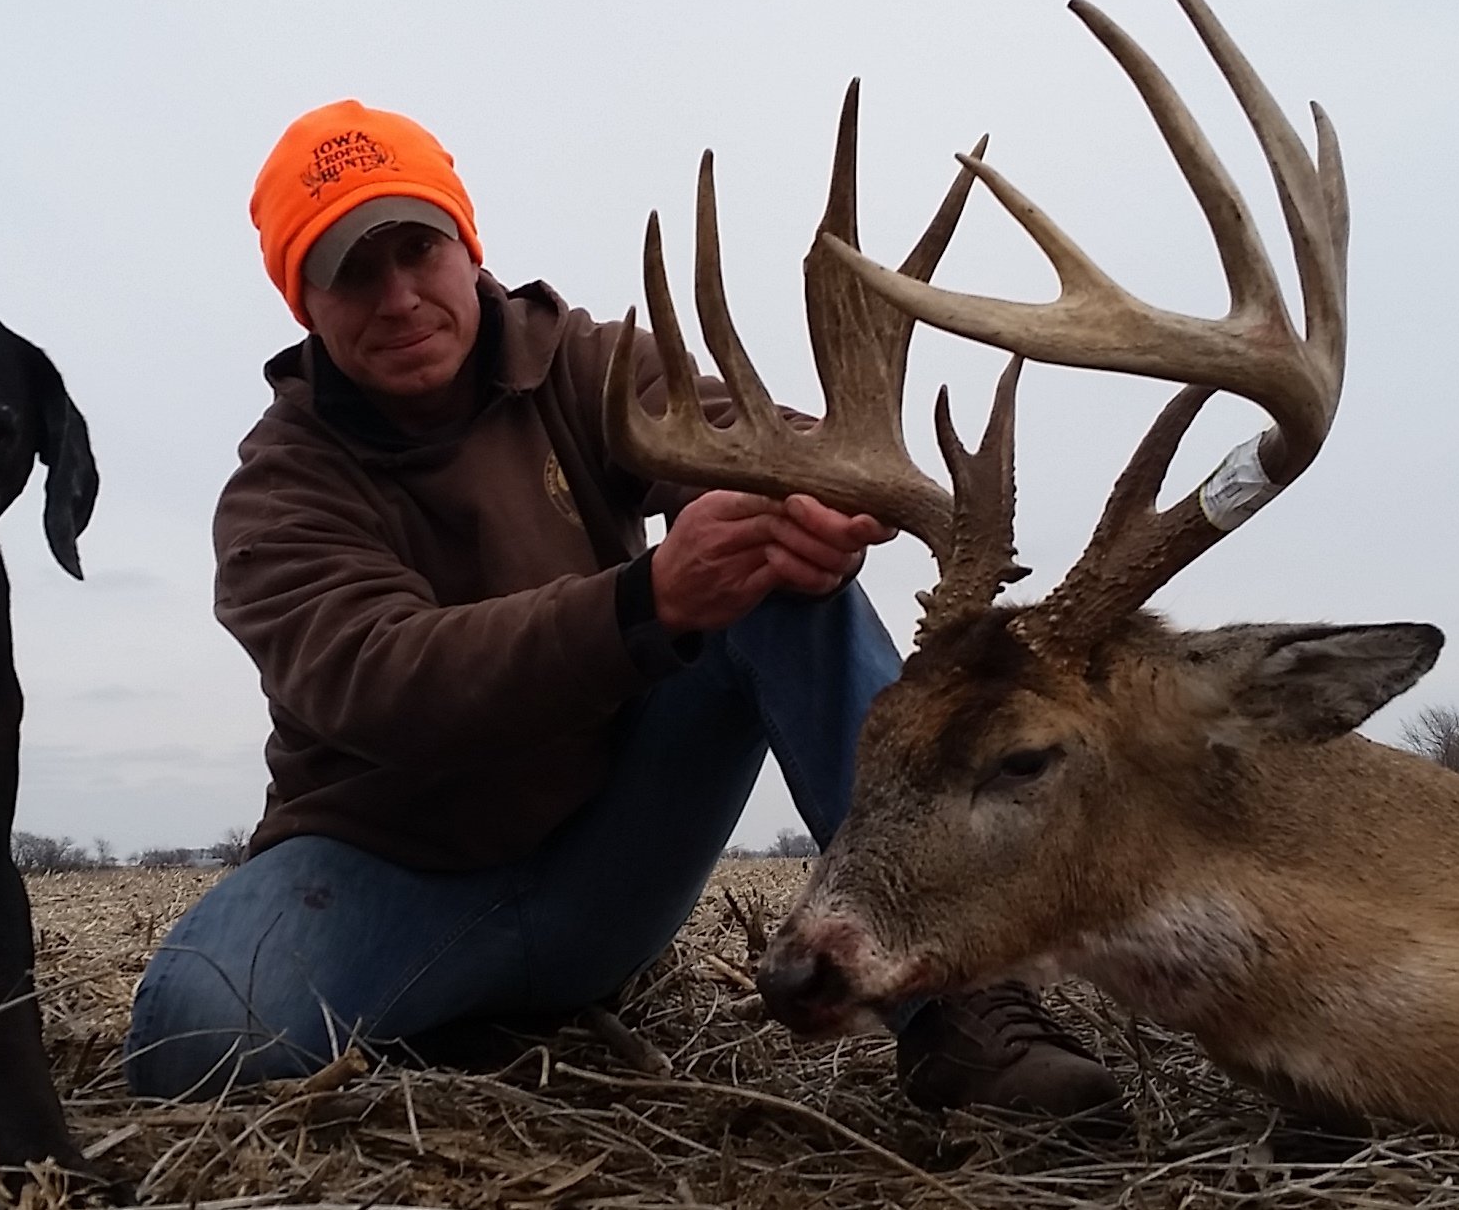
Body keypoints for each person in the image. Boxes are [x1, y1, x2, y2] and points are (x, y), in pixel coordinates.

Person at [123, 99, 1115, 1114]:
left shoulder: (581, 367)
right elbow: (382, 679)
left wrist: (808, 491)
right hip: (391, 873)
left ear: (468, 248)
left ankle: (961, 1008)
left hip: (607, 863)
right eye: (350, 273)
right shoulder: (282, 487)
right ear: (305, 305)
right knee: (195, 1036)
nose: (399, 297)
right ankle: (452, 1004)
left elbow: (738, 427)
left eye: (418, 250)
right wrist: (646, 600)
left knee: (768, 580)